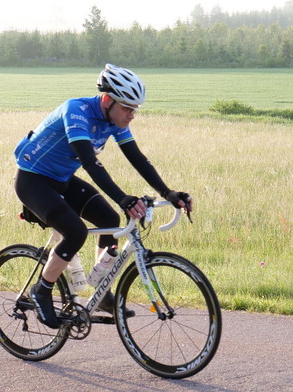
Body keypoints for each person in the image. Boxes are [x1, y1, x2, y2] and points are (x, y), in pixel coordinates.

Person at [14, 63, 193, 329]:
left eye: (135, 110)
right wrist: (123, 198)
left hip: (62, 180)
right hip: (33, 181)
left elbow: (137, 158)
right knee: (76, 232)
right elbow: (89, 162)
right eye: (127, 108)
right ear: (107, 100)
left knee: (108, 218)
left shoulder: (113, 120)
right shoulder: (77, 111)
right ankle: (41, 290)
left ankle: (101, 291)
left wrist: (168, 192)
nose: (131, 115)